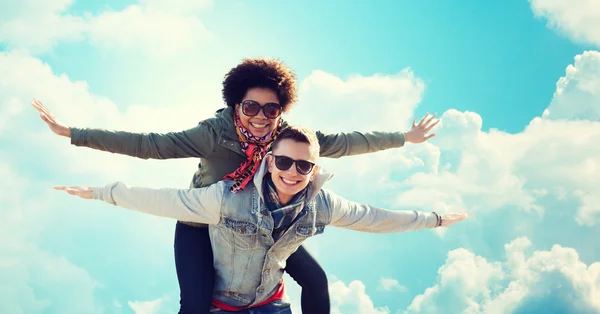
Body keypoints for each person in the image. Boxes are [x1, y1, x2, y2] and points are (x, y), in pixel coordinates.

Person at [32, 57, 440, 314]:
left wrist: (405, 138)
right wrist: (72, 132)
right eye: (250, 107)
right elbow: (148, 145)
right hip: (204, 219)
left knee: (316, 280)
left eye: (271, 109)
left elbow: (346, 142)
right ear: (235, 106)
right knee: (195, 305)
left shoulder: (289, 139)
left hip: (260, 222)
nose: (261, 117)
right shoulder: (213, 133)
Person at [55, 125, 470, 313]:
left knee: (317, 279)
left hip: (269, 306)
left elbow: (374, 217)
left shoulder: (319, 201)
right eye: (284, 162)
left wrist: (432, 218)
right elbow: (164, 197)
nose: (293, 172)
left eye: (303, 167)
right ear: (269, 161)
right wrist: (101, 192)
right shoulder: (226, 196)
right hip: (220, 301)